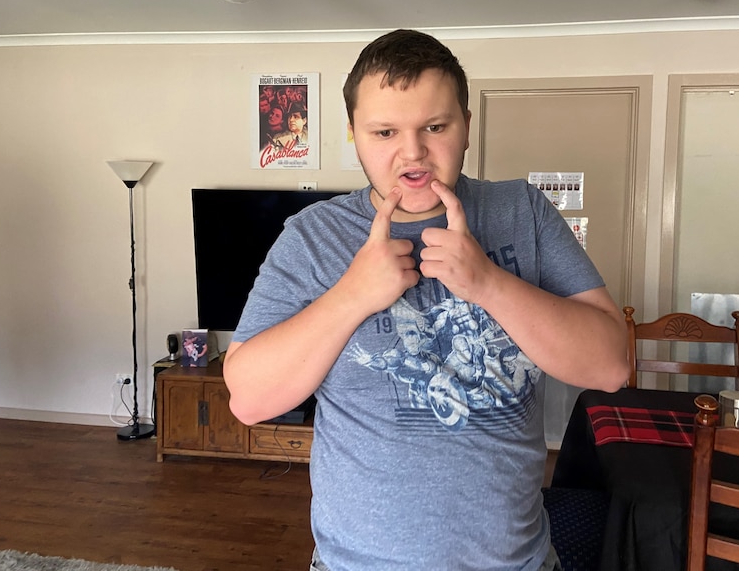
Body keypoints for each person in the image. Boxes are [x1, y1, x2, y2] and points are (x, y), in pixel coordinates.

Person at [224, 29, 629, 571]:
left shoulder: (523, 211)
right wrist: (352, 296)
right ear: (354, 135)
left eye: (435, 127)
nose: (412, 153)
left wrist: (487, 282)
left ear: (466, 125)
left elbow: (611, 367)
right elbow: (249, 400)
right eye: (384, 131)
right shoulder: (310, 238)